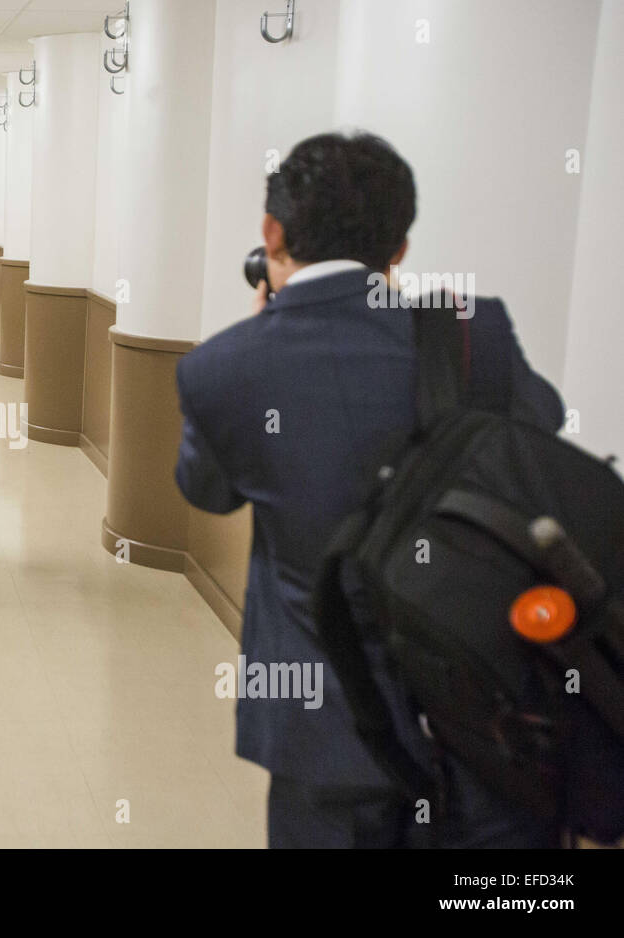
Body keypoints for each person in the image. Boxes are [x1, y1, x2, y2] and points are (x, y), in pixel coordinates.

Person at [174, 132, 564, 848]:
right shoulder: (475, 335)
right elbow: (545, 430)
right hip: (478, 714)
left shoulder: (222, 369)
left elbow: (207, 490)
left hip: (319, 727)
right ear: (400, 246)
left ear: (273, 232)